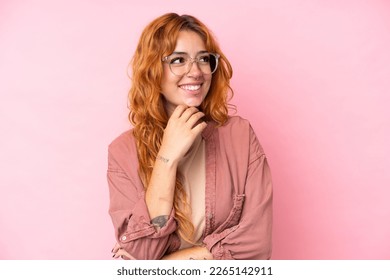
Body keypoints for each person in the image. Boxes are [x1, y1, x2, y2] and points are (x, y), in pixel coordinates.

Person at [107, 13, 273, 260]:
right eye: (178, 60)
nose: (195, 71)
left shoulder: (239, 136)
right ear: (152, 69)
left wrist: (169, 264)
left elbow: (257, 244)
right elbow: (138, 255)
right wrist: (167, 157)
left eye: (203, 59)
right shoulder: (122, 152)